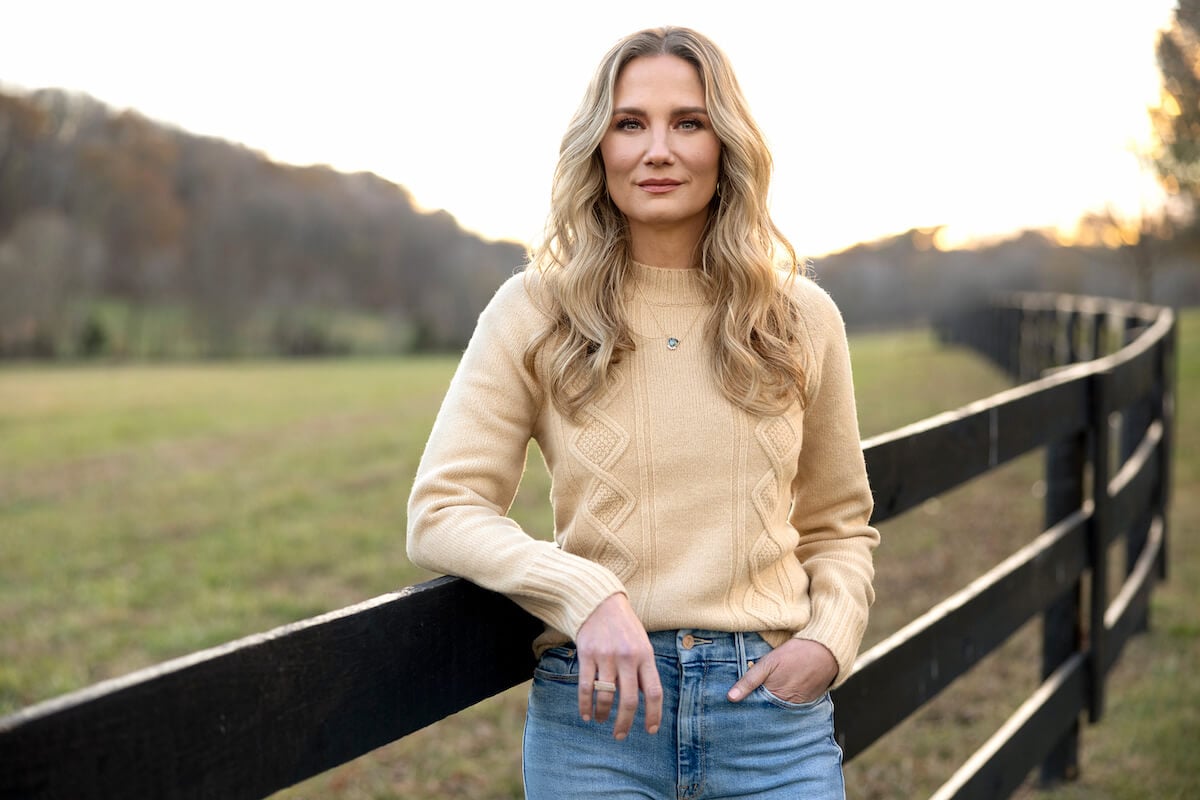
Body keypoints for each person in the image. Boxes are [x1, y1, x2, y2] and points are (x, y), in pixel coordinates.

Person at [406, 26, 879, 799]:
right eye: (631, 124)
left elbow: (839, 525)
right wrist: (585, 594)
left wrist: (828, 641)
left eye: (687, 122)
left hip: (768, 718)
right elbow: (440, 510)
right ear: (599, 146)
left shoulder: (800, 317)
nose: (657, 149)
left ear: (726, 144)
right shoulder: (534, 310)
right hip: (598, 716)